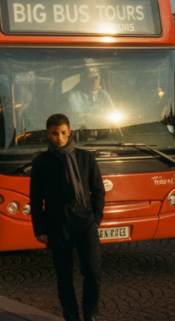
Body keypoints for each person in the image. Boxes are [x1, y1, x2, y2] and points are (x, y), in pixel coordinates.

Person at [29, 114, 106, 321]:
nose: (59, 138)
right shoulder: (41, 162)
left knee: (93, 273)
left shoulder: (86, 157)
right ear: (48, 134)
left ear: (69, 132)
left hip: (85, 222)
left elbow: (98, 190)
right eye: (55, 134)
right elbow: (35, 200)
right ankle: (71, 317)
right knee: (64, 277)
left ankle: (90, 315)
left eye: (63, 133)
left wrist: (96, 218)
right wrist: (40, 229)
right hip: (57, 224)